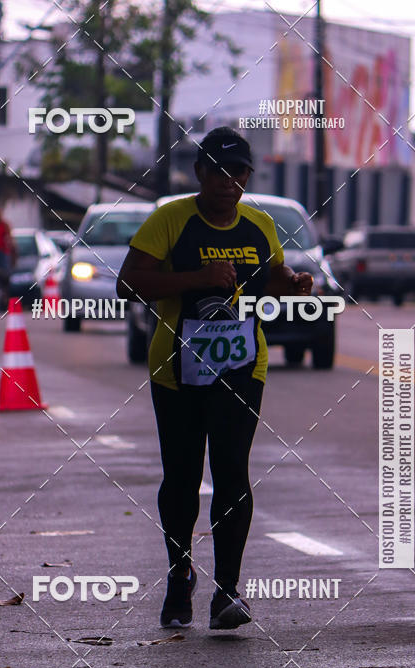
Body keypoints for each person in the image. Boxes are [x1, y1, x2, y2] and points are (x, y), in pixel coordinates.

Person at [117, 126, 313, 630]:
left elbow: (268, 276)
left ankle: (228, 590)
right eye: (220, 170)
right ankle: (180, 573)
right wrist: (196, 280)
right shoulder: (170, 220)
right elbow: (128, 284)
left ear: (249, 176)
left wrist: (290, 282)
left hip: (242, 366)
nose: (231, 181)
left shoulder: (259, 225)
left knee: (231, 470)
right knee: (182, 477)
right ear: (199, 172)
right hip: (176, 372)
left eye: (240, 171)